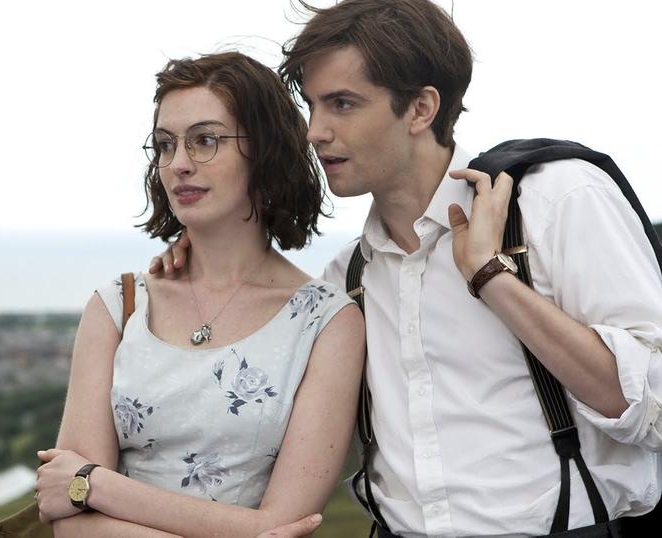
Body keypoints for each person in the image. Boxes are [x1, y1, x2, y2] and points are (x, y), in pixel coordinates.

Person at [152, 1, 662, 536]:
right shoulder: (347, 278)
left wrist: (491, 278)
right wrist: (202, 259)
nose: (315, 131)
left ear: (420, 109)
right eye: (312, 105)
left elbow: (652, 408)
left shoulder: (554, 201)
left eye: (342, 104)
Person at [33, 51, 365, 537]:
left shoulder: (327, 322)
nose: (179, 164)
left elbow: (284, 524)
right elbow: (71, 525)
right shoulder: (119, 306)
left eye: (205, 140)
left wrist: (95, 484)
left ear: (265, 150)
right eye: (165, 145)